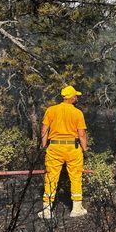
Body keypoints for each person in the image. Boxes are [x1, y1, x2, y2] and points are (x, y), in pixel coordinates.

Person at [39, 86, 89, 219]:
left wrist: (44, 146)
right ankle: (76, 208)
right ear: (72, 98)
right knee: (76, 176)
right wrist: (85, 149)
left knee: (51, 177)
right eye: (76, 96)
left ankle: (47, 210)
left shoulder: (51, 110)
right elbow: (82, 134)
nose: (77, 98)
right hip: (73, 148)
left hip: (54, 147)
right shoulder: (77, 113)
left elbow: (44, 129)